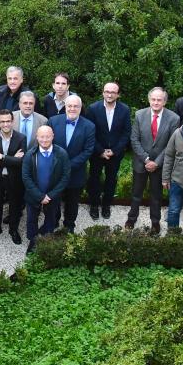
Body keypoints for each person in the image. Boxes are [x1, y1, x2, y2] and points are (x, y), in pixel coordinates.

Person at [127, 87, 180, 234]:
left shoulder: (173, 118)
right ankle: (132, 218)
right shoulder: (139, 115)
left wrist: (156, 162)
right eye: (153, 99)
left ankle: (155, 222)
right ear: (149, 99)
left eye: (159, 100)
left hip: (160, 165)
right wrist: (146, 159)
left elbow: (172, 143)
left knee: (156, 196)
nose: (156, 102)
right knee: (136, 194)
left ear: (165, 101)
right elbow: (134, 139)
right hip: (141, 163)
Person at [48, 95, 95, 233]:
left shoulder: (89, 126)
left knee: (72, 201)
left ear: (81, 108)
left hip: (76, 172)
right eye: (70, 106)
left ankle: (69, 225)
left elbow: (88, 151)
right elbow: (46, 144)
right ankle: (54, 222)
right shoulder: (53, 121)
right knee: (54, 199)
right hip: (55, 170)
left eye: (76, 106)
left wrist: (68, 165)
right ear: (65, 107)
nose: (72, 108)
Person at [86, 82, 131, 220]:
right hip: (97, 152)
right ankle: (94, 205)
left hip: (115, 153)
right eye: (107, 91)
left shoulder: (124, 109)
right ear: (103, 92)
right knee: (94, 179)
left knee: (111, 180)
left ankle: (106, 205)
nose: (109, 94)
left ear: (118, 94)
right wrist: (100, 151)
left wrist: (115, 150)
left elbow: (126, 132)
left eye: (113, 92)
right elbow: (90, 132)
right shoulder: (93, 108)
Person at [22, 126, 71, 252]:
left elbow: (65, 177)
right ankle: (33, 243)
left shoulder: (62, 154)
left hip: (52, 197)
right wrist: (40, 196)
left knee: (51, 220)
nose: (44, 140)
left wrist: (50, 195)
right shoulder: (30, 155)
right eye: (42, 137)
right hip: (33, 195)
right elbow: (26, 177)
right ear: (37, 137)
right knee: (32, 219)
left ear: (53, 136)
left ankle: (47, 242)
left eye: (47, 136)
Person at [0, 109, 26, 243]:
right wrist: (12, 159)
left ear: (12, 121)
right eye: (2, 121)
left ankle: (13, 229)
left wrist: (1, 156)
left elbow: (21, 162)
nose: (6, 124)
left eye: (8, 121)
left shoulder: (21, 138)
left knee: (14, 204)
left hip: (14, 178)